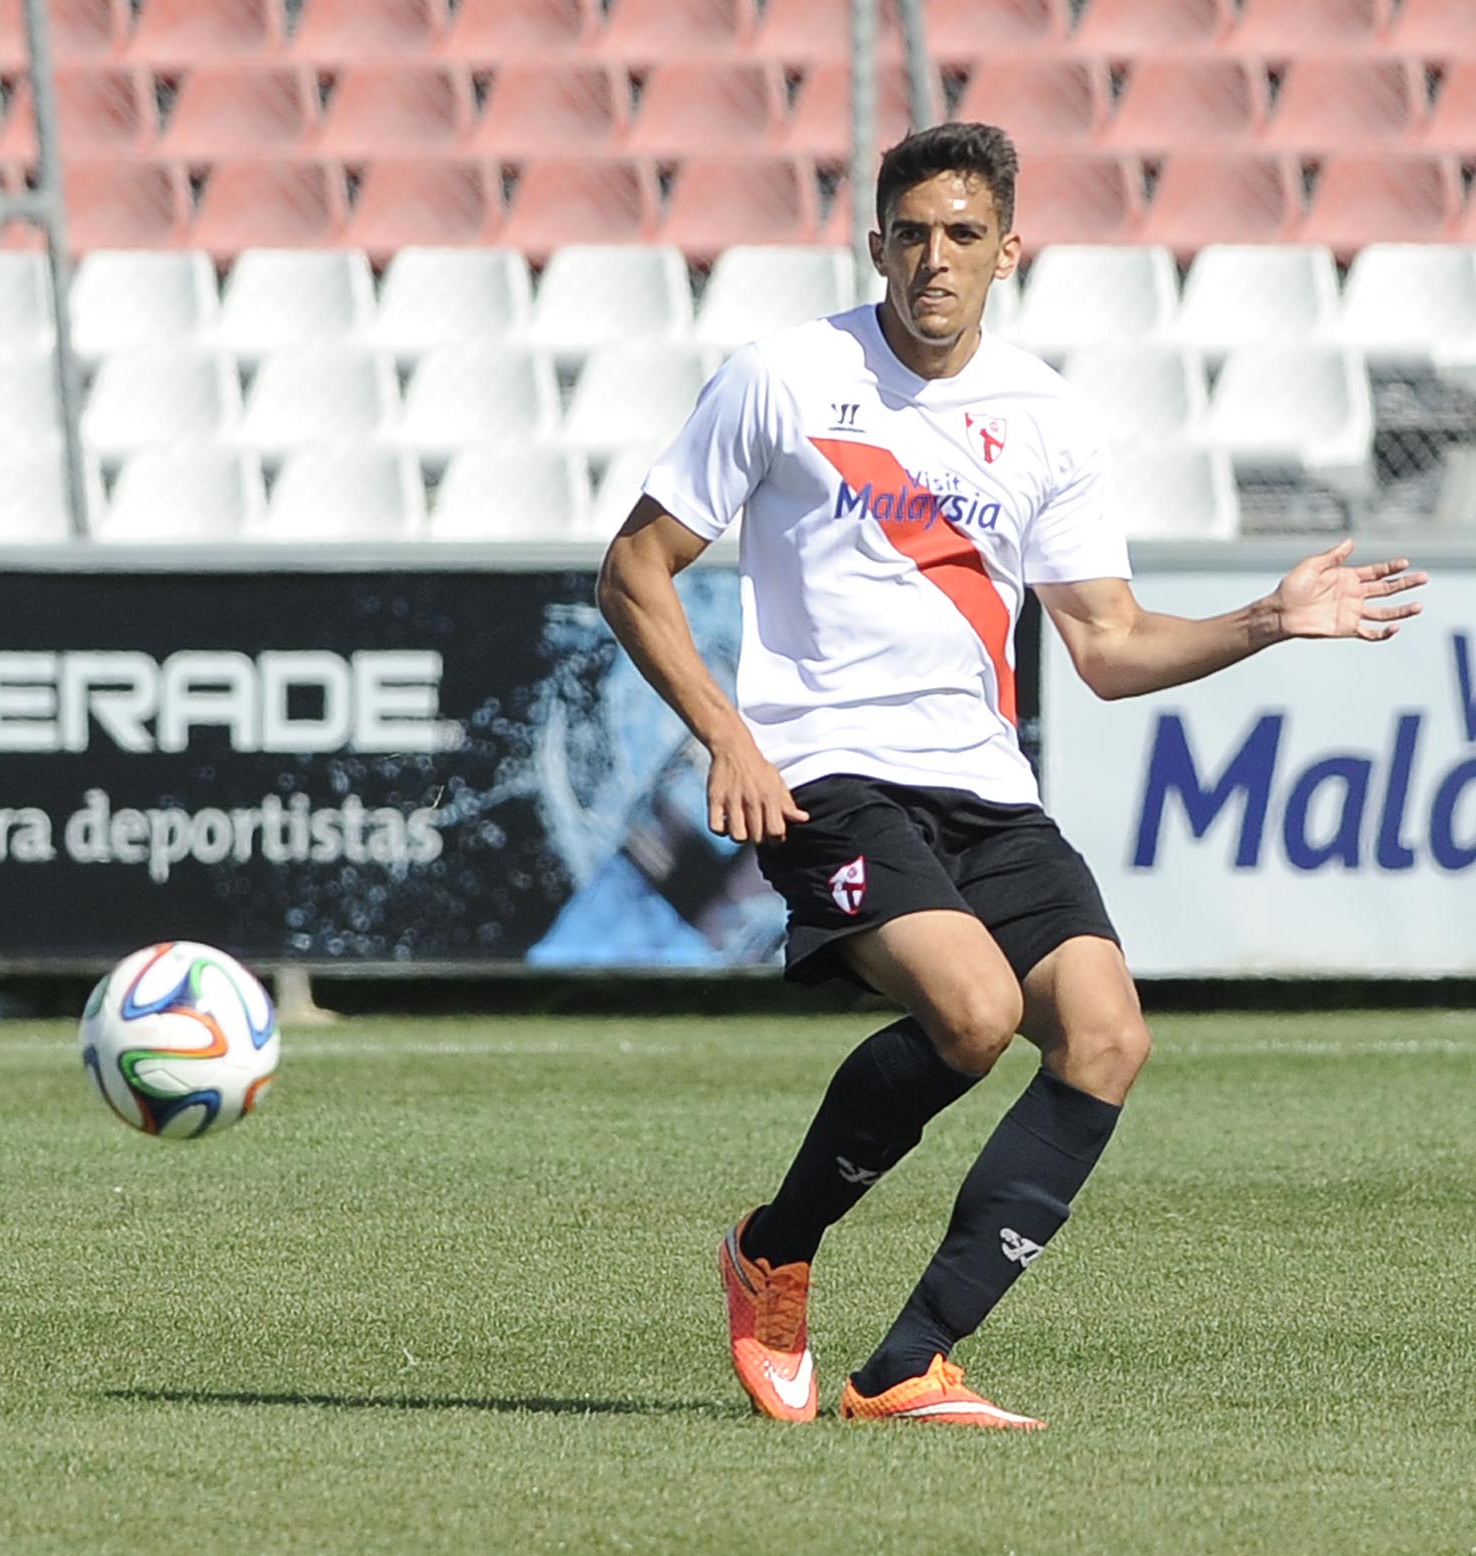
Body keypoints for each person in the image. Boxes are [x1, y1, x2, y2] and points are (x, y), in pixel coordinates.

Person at [598, 123, 1425, 1428]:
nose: (934, 258)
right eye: (911, 233)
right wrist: (728, 735)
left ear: (1006, 252)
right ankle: (774, 1247)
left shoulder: (1044, 416)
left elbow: (1104, 644)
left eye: (962, 236)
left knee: (1103, 1039)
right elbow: (633, 570)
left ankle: (906, 1365)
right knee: (973, 1014)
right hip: (824, 770)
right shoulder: (780, 377)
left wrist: (1263, 623)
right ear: (874, 244)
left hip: (983, 784)